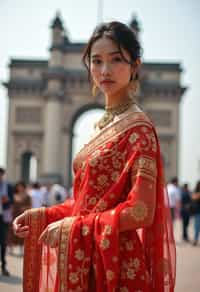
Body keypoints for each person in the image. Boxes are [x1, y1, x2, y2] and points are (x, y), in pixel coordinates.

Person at [13, 21, 175, 291]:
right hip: (85, 259)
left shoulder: (140, 129)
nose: (104, 70)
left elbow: (141, 211)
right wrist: (45, 215)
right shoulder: (100, 127)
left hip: (116, 267)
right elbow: (85, 203)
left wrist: (72, 228)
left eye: (116, 60)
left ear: (135, 65)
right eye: (96, 61)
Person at [8, 181, 31, 255]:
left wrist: (23, 208)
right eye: (18, 186)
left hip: (23, 215)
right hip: (14, 215)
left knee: (22, 230)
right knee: (11, 231)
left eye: (21, 186)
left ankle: (21, 249)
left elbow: (30, 206)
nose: (20, 188)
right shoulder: (13, 195)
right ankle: (10, 248)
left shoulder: (27, 196)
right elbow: (10, 205)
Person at [0, 167, 13, 276]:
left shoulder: (8, 187)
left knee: (3, 242)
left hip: (3, 217)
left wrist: (7, 200)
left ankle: (3, 266)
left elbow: (12, 200)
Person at [191, 180, 200, 246]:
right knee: (196, 227)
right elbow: (193, 197)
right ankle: (195, 240)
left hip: (197, 212)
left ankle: (195, 240)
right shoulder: (196, 192)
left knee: (196, 226)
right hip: (197, 212)